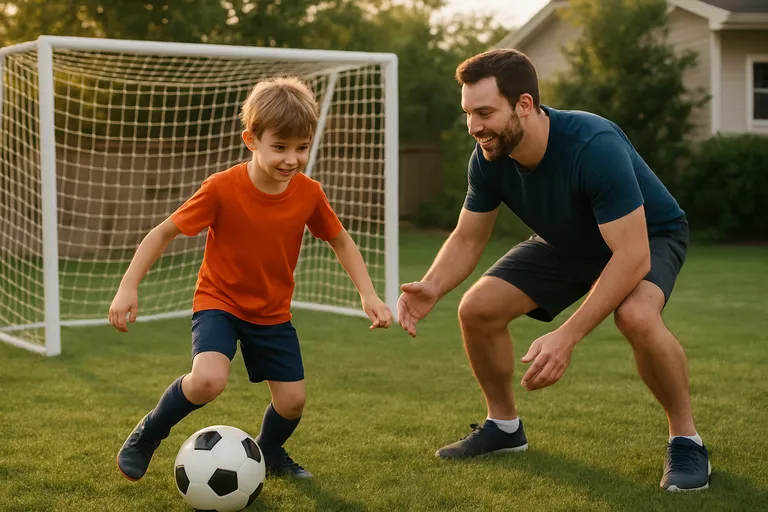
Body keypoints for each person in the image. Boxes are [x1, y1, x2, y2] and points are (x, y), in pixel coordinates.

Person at [396, 49, 710, 492]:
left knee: (637, 316)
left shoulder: (592, 144)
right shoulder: (488, 157)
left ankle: (687, 440)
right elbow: (467, 238)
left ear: (524, 104)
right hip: (566, 242)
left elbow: (632, 256)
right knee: (477, 309)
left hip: (647, 236)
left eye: (484, 112)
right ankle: (503, 428)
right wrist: (432, 286)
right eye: (467, 113)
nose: (473, 126)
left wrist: (568, 335)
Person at [110, 76, 393, 481]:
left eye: (302, 147)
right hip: (220, 303)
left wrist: (369, 294)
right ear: (251, 140)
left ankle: (270, 451)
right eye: (280, 147)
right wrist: (128, 286)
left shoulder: (309, 193)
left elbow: (341, 240)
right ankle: (148, 434)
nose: (291, 159)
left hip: (272, 313)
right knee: (208, 380)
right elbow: (163, 232)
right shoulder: (222, 188)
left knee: (292, 402)